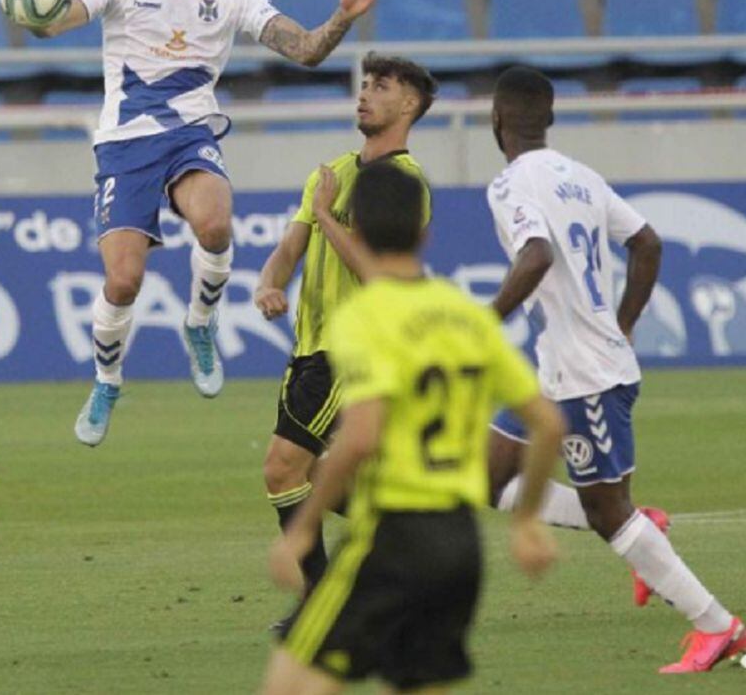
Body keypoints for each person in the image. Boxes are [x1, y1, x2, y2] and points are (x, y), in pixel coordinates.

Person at [0, 0, 386, 447]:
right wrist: (25, 3)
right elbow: (58, 23)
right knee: (123, 282)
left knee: (215, 222)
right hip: (125, 144)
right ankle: (107, 381)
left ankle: (200, 322)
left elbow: (303, 49)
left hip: (189, 133)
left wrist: (344, 17)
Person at [261, 162, 564, 695]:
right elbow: (548, 424)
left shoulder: (364, 317)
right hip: (460, 546)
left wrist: (304, 527)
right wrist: (526, 523)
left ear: (359, 231)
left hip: (390, 537)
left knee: (291, 685)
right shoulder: (464, 315)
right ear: (424, 232)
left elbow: (359, 437)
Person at [484, 66, 745, 674]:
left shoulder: (507, 187)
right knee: (489, 476)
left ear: (497, 121)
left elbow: (536, 256)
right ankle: (641, 525)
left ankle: (720, 628)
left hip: (587, 375)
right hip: (560, 364)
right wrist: (623, 321)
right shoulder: (582, 177)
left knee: (606, 513)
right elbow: (648, 243)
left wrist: (484, 319)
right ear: (548, 120)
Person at [254, 54, 434, 615]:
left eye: (380, 86)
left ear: (408, 105)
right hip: (310, 348)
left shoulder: (406, 185)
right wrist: (269, 283)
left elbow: (383, 275)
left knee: (282, 467)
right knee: (315, 474)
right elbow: (289, 248)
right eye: (363, 84)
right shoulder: (329, 172)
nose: (364, 94)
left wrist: (331, 217)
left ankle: (322, 602)